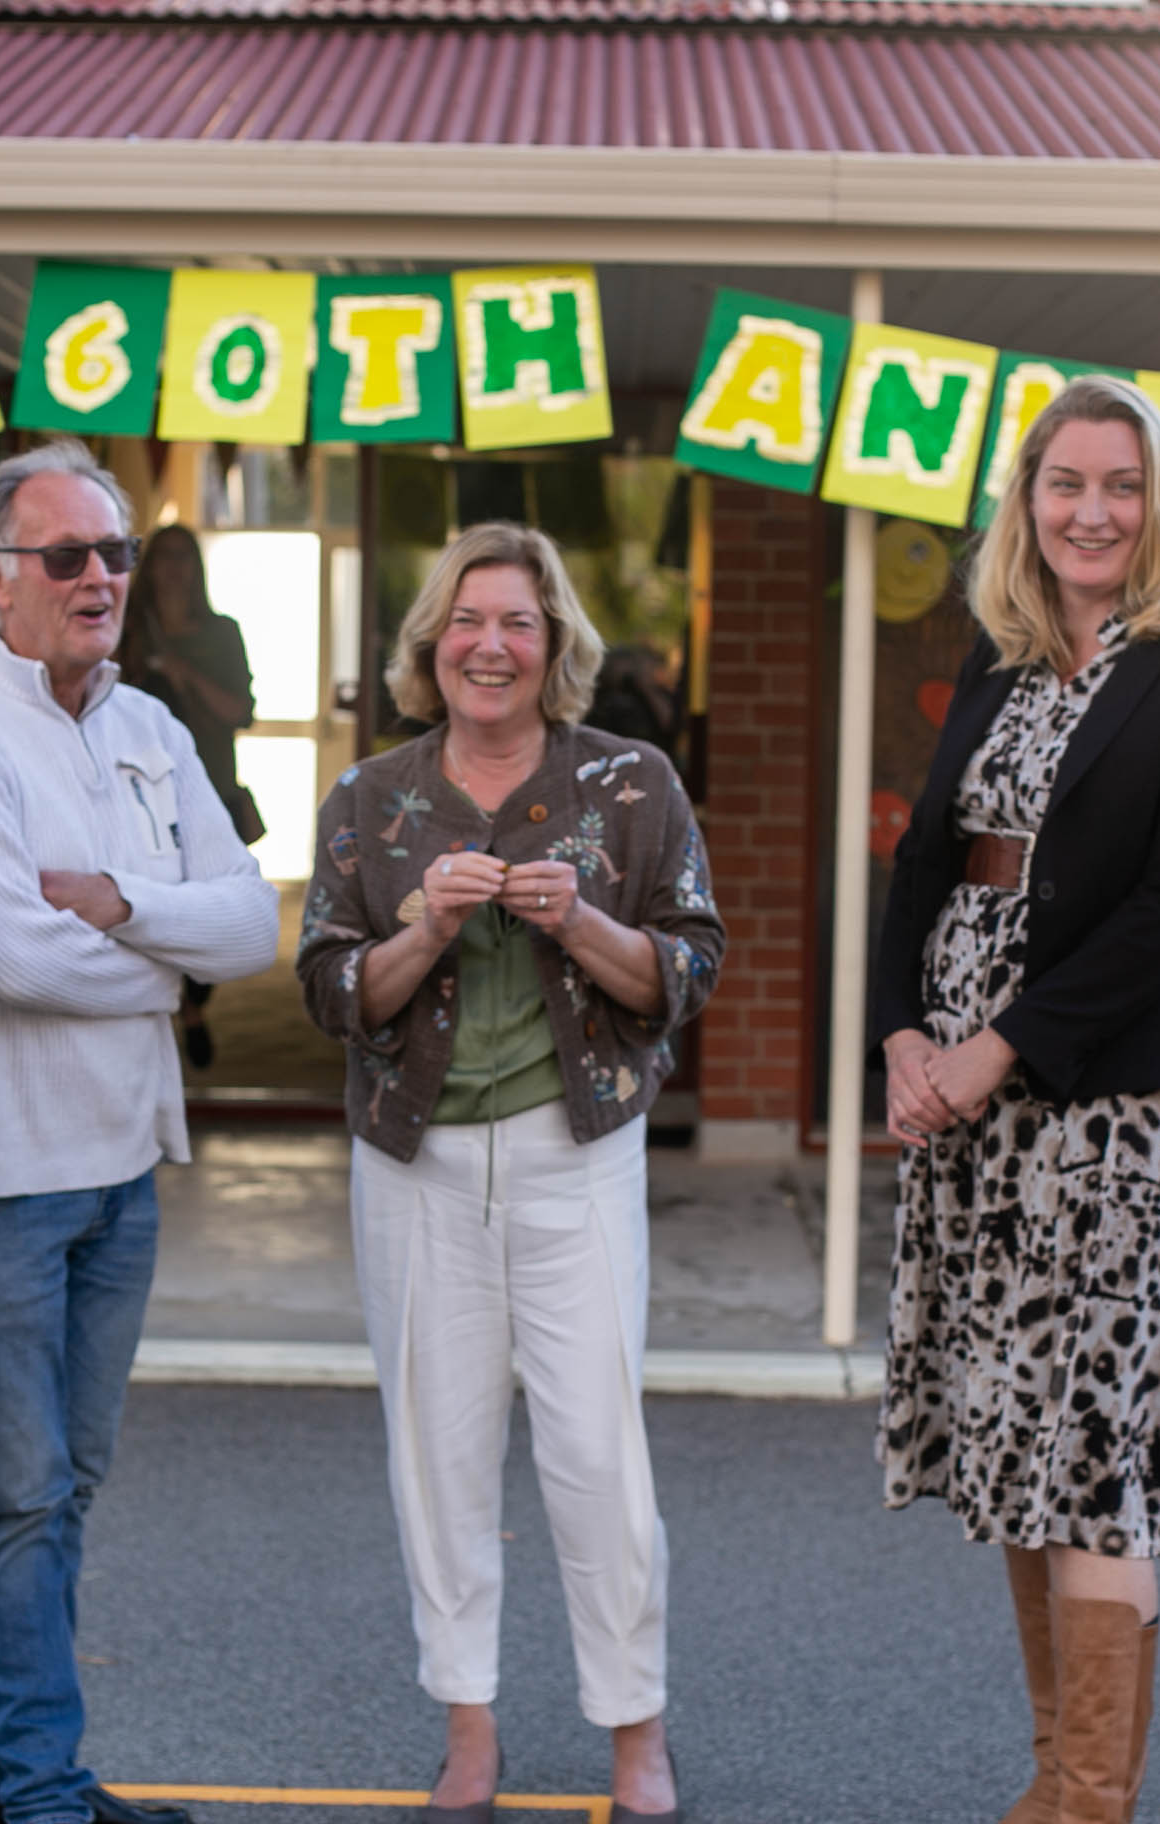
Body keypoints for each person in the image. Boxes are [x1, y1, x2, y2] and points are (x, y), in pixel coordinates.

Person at [869, 374, 1160, 1824]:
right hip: (976, 1119)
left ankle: (1089, 1802)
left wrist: (1003, 1049)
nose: (1091, 510)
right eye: (1065, 484)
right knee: (1014, 1437)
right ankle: (1055, 1787)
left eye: (1121, 484)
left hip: (1128, 1109)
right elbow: (927, 861)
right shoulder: (1003, 662)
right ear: (1027, 504)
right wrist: (907, 1033)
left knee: (1095, 1450)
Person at [0, 440, 280, 1824]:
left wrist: (117, 906)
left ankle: (20, 1777)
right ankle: (41, 1793)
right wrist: (163, 961)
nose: (100, 576)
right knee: (21, 1494)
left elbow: (250, 918)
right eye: (66, 557)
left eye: (110, 552)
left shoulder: (150, 727)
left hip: (117, 1173)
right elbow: (5, 955)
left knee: (66, 1486)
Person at [297, 522, 725, 1824]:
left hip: (572, 1156)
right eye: (468, 622)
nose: (492, 644)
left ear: (555, 649)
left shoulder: (632, 783)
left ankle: (635, 1735)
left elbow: (690, 970)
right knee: (440, 1458)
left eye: (520, 624)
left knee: (600, 1459)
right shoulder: (374, 799)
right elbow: (327, 990)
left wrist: (578, 919)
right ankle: (469, 1731)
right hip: (415, 1168)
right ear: (434, 645)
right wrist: (425, 922)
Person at [119, 523, 262, 1069]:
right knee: (148, 908)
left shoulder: (220, 633)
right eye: (165, 557)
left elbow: (241, 711)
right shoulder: (127, 631)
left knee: (213, 912)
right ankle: (167, 1008)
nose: (174, 568)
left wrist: (184, 674)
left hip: (210, 789)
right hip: (136, 797)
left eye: (185, 556)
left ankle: (194, 1007)